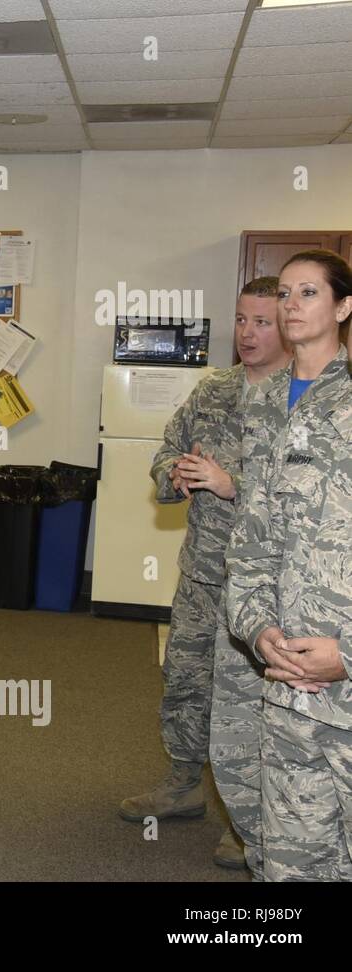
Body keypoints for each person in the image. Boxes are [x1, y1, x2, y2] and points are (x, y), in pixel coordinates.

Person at [119, 277, 290, 875]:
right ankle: (184, 784)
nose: (247, 333)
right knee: (186, 681)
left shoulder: (303, 401)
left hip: (268, 589)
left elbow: (306, 502)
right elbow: (166, 448)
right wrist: (179, 473)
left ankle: (256, 822)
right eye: (241, 320)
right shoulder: (214, 389)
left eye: (262, 322)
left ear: (290, 324)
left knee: (255, 705)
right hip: (202, 574)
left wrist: (229, 484)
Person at [226, 249, 352, 881]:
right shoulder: (265, 401)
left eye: (310, 292)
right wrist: (257, 630)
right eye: (286, 293)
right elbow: (252, 536)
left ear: (343, 307)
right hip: (289, 686)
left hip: (346, 679)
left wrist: (348, 652)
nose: (292, 304)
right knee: (291, 865)